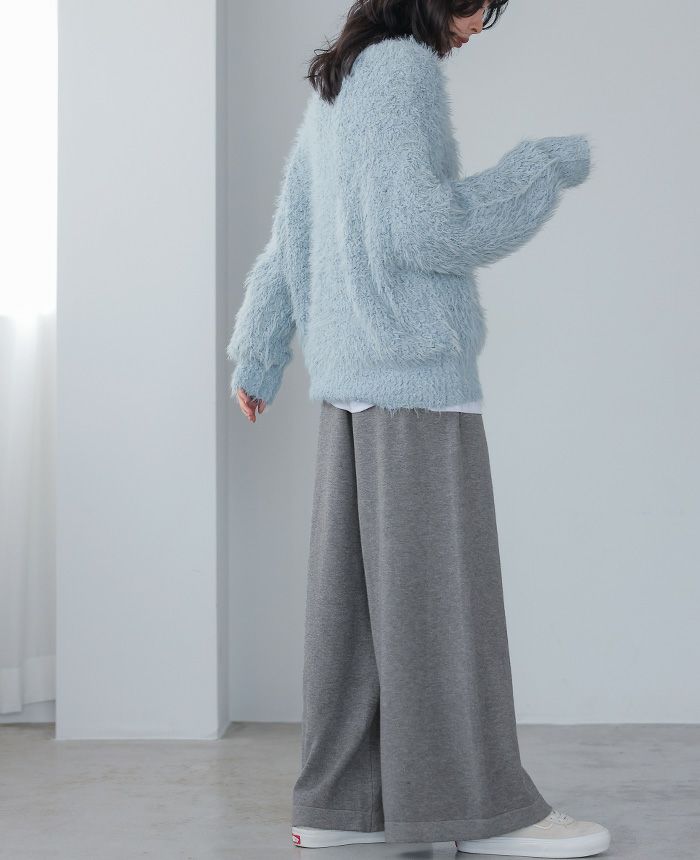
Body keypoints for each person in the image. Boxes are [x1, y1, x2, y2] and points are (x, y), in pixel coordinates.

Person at [227, 1, 611, 856]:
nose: (477, 28)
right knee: (445, 609)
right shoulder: (402, 71)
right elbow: (429, 227)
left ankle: (341, 809)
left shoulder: (340, 82)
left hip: (353, 389)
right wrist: (540, 167)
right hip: (413, 379)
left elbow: (292, 235)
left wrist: (258, 352)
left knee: (356, 620)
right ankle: (478, 813)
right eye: (477, 8)